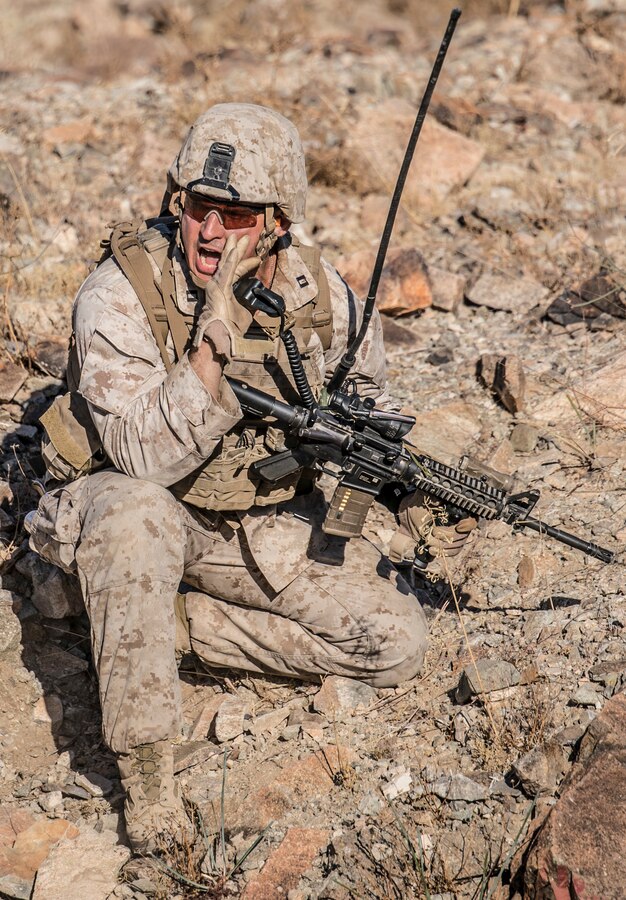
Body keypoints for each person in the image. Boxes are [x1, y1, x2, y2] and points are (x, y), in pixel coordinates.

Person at [27, 103, 475, 853]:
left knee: (394, 644)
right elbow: (142, 456)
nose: (208, 232)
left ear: (276, 221)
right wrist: (214, 338)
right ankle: (148, 778)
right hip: (138, 506)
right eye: (199, 208)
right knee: (134, 516)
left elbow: (368, 387)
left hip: (253, 515)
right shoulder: (119, 293)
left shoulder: (318, 290)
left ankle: (173, 625)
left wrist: (391, 459)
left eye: (234, 217)